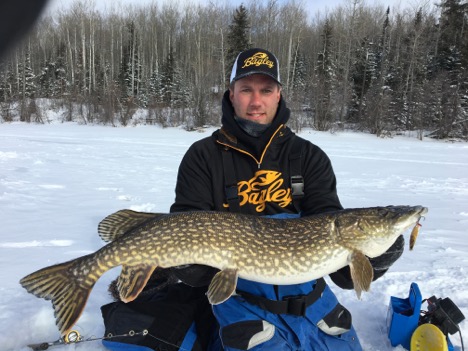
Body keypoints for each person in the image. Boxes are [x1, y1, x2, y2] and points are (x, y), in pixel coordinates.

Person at [101, 48, 404, 351]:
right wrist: (188, 264)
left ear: (278, 95)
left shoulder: (309, 157)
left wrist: (377, 257)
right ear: (231, 93)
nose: (256, 101)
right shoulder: (203, 157)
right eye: (246, 89)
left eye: (265, 90)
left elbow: (342, 272)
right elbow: (190, 243)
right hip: (239, 301)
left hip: (313, 302)